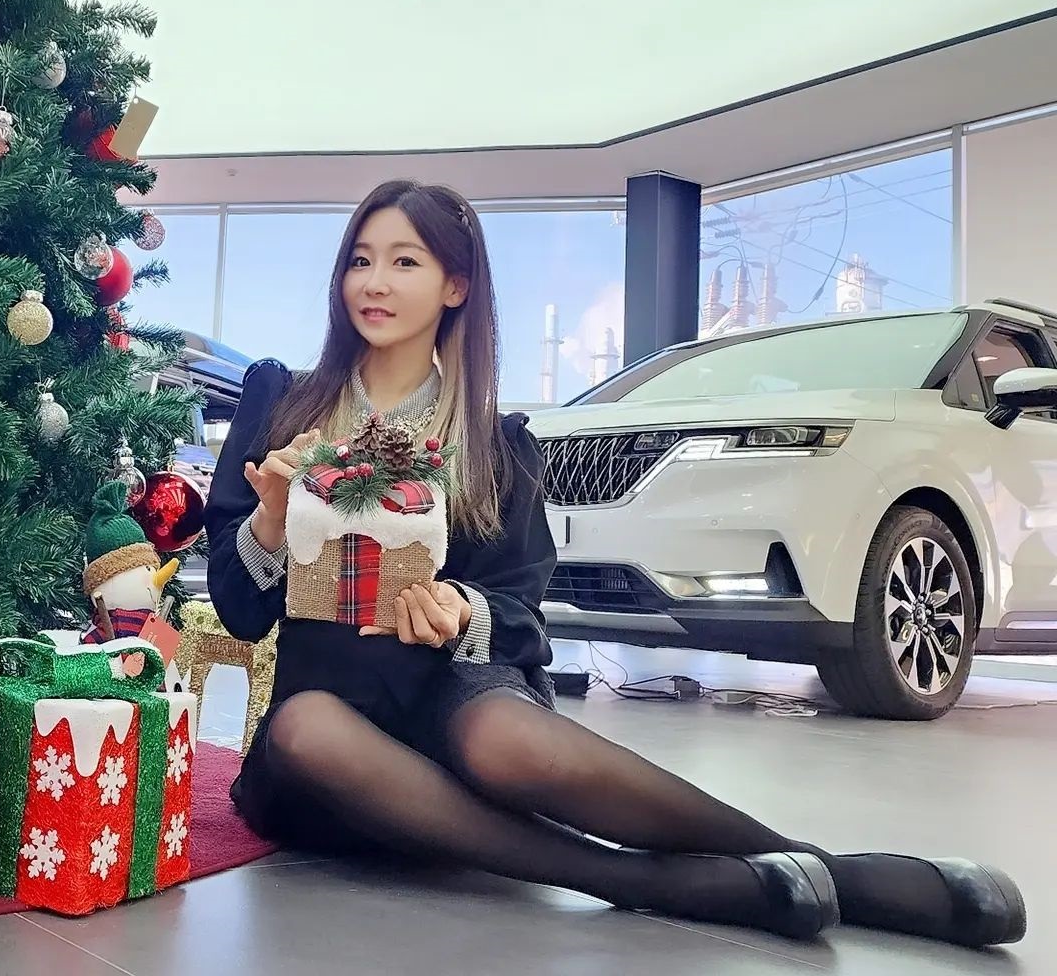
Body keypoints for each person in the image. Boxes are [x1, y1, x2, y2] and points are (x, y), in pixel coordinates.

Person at [205, 179, 1025, 948]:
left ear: (456, 285)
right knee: (308, 733)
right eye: (360, 260)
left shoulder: (498, 446)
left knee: (507, 739)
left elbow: (520, 616)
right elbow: (240, 611)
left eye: (403, 262)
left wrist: (461, 610)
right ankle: (639, 881)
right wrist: (271, 520)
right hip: (333, 726)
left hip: (448, 697)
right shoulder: (284, 403)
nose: (374, 283)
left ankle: (829, 870)